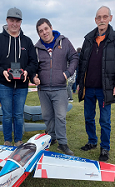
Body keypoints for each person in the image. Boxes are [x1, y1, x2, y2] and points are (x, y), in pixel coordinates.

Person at [77, 5, 115, 162]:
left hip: (105, 89)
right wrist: (80, 83)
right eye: (99, 17)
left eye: (105, 17)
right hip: (89, 88)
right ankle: (92, 141)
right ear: (95, 20)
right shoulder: (88, 39)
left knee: (105, 120)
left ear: (110, 18)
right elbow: (82, 63)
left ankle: (105, 148)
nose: (102, 20)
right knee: (88, 117)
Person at [0, 7, 37, 146]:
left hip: (21, 86)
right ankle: (7, 140)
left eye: (17, 21)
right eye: (12, 20)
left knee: (19, 115)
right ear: (7, 20)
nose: (14, 24)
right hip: (4, 84)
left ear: (21, 22)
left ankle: (18, 141)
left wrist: (27, 71)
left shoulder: (27, 41)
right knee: (7, 115)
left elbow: (34, 62)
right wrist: (2, 71)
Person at [33, 18, 78, 155]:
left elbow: (75, 57)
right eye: (41, 31)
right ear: (39, 34)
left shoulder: (64, 42)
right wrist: (33, 77)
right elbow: (33, 66)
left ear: (51, 28)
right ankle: (51, 137)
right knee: (47, 116)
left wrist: (68, 73)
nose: (44, 32)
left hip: (59, 88)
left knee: (60, 116)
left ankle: (63, 143)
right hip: (43, 89)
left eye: (46, 29)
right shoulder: (36, 48)